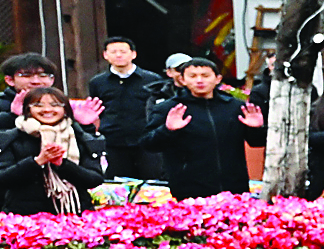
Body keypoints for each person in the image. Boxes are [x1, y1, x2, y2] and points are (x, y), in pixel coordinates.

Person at [156, 57, 267, 198]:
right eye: (193, 76)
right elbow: (150, 144)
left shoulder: (235, 107)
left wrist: (256, 128)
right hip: (188, 190)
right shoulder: (169, 108)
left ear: (218, 79)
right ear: (183, 80)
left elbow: (256, 142)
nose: (199, 80)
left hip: (233, 188)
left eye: (205, 76)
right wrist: (167, 130)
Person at [1, 84, 108, 214]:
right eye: (38, 105)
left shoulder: (80, 136)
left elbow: (94, 179)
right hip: (24, 216)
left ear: (66, 110)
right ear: (27, 109)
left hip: (74, 213)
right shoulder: (10, 137)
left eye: (55, 105)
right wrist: (37, 162)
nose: (47, 110)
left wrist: (62, 164)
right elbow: (4, 179)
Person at [86, 36, 171, 179]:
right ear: (105, 55)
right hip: (113, 142)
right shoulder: (97, 82)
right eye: (113, 52)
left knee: (152, 184)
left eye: (123, 51)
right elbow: (97, 111)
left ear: (133, 54)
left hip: (145, 140)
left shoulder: (152, 79)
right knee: (118, 186)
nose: (118, 55)